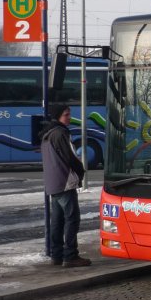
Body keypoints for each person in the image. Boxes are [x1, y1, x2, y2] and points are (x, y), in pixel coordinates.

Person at [40, 103, 91, 267]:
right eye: (66, 115)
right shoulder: (61, 133)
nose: (69, 117)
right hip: (64, 182)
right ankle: (71, 256)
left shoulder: (47, 134)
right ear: (58, 116)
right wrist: (81, 170)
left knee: (57, 220)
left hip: (53, 184)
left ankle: (57, 255)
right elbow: (71, 157)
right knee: (72, 219)